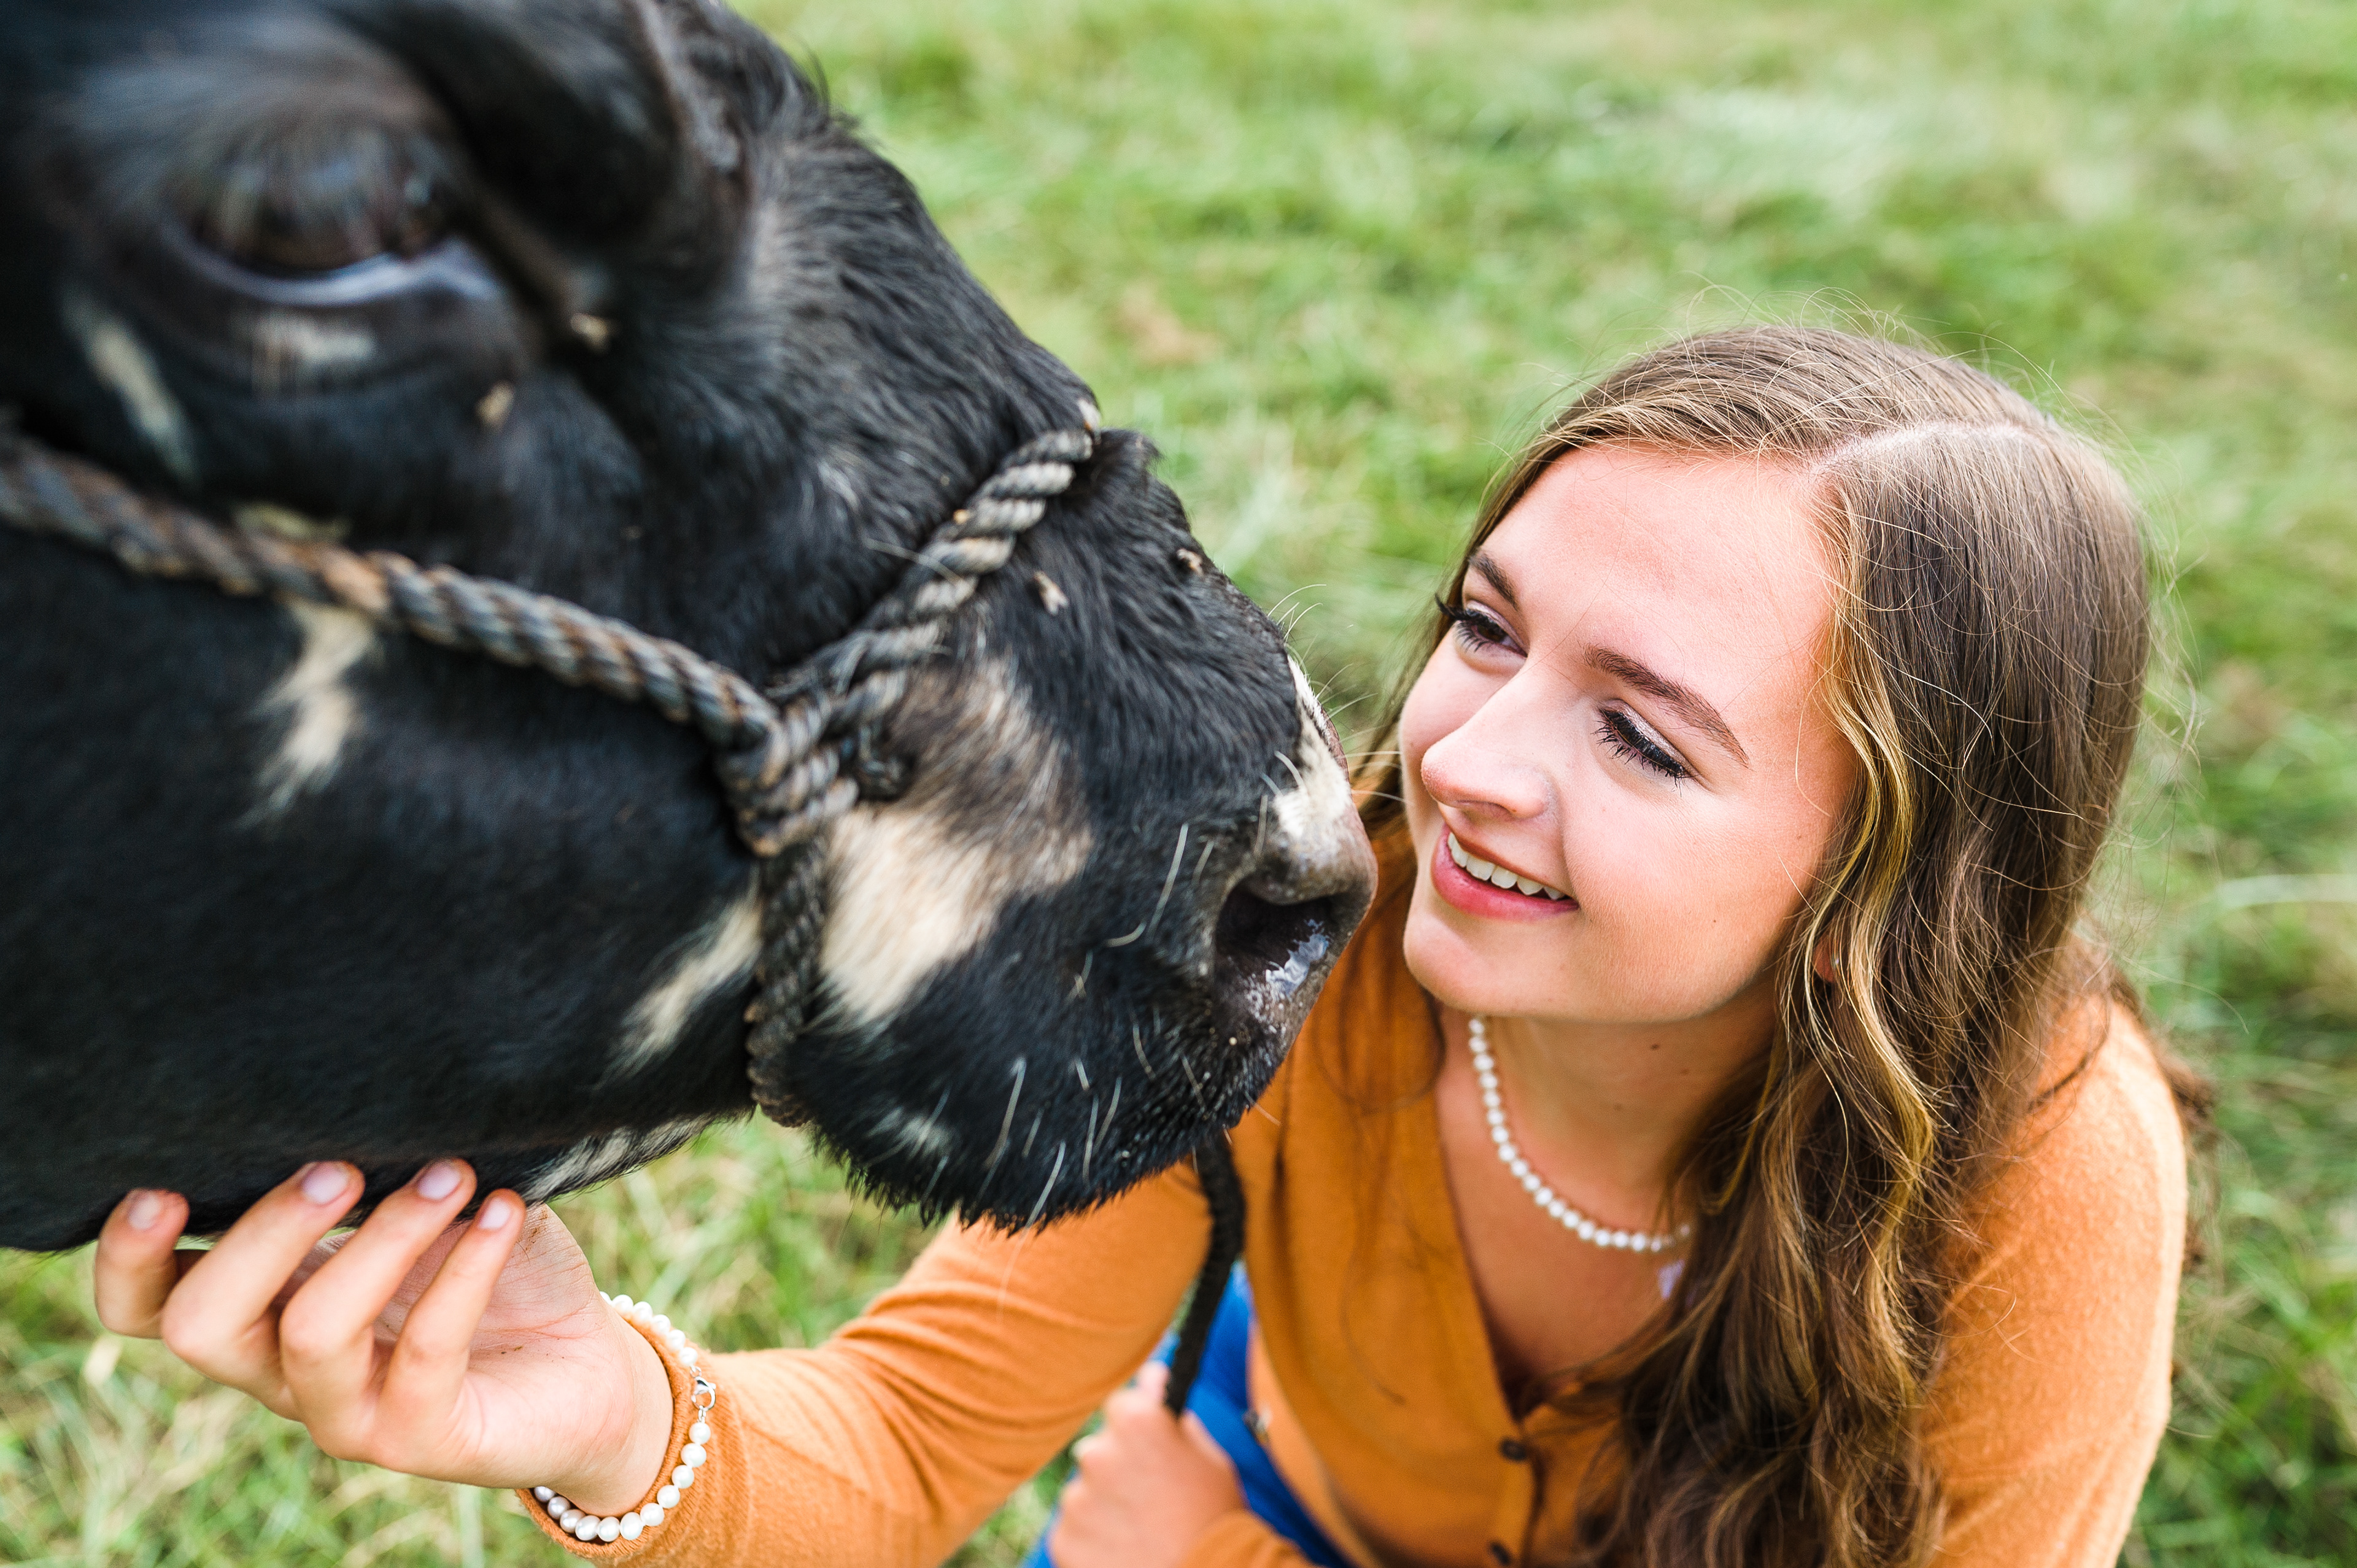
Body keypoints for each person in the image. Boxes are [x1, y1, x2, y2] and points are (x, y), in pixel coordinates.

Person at [93, 326, 2201, 1568]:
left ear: (1884, 885)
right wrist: (595, 1408)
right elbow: (904, 1448)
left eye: (1643, 735)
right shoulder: (1283, 942)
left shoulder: (2044, 1176)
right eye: (1488, 625)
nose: (1464, 761)